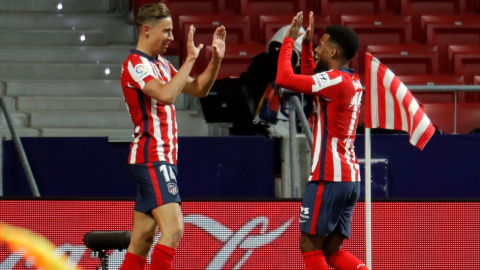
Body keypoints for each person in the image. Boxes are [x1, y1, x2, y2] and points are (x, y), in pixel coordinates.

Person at [119, 3, 226, 270]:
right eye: (166, 31)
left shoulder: (162, 65)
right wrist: (189, 59)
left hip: (161, 158)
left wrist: (216, 60)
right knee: (174, 230)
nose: (171, 37)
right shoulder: (136, 64)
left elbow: (199, 89)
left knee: (142, 240)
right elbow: (166, 95)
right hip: (152, 156)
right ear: (146, 30)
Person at [276, 12, 369, 270]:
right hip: (349, 178)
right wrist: (306, 47)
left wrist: (289, 41)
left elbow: (285, 79)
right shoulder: (349, 79)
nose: (318, 47)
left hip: (328, 176)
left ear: (334, 53)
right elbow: (312, 81)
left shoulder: (335, 80)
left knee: (308, 244)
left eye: (321, 45)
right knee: (330, 250)